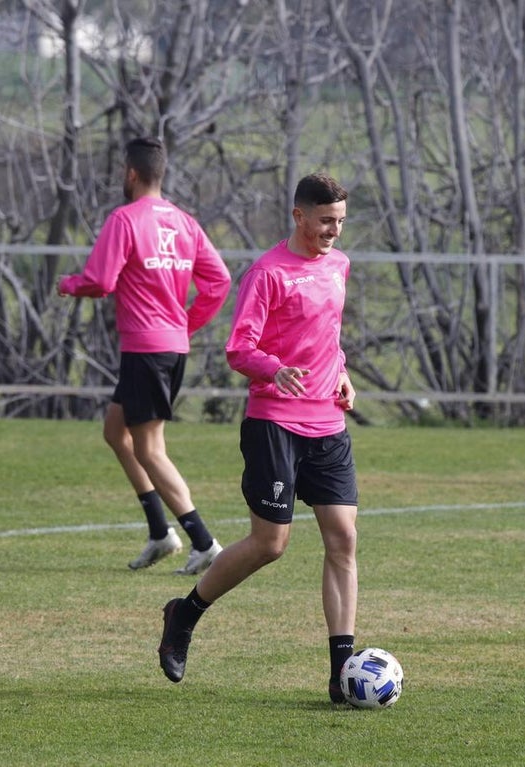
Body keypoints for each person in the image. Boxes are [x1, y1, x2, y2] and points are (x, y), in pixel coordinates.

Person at [157, 173, 360, 703]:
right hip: (273, 422)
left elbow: (329, 336)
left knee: (343, 539)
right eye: (324, 221)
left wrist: (341, 370)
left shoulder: (339, 266)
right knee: (271, 544)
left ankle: (342, 675)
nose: (333, 231)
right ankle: (185, 613)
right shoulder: (268, 273)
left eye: (339, 221)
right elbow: (238, 348)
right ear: (299, 216)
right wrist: (274, 368)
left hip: (328, 423)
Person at [57, 136, 231, 573]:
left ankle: (204, 542)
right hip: (167, 347)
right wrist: (184, 324)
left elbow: (100, 280)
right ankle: (160, 533)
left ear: (131, 173)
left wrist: (68, 284)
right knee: (117, 432)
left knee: (151, 449)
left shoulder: (125, 219)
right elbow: (220, 281)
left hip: (147, 350)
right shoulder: (185, 223)